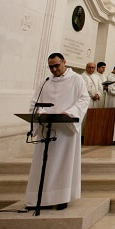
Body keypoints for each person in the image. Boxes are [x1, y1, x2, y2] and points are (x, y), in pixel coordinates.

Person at [25, 52, 89, 210]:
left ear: (64, 62)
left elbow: (84, 98)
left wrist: (70, 112)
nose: (54, 69)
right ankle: (40, 198)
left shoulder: (76, 79)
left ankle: (61, 197)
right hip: (47, 128)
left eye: (57, 66)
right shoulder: (45, 81)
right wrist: (40, 113)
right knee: (42, 163)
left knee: (63, 163)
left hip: (65, 129)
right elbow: (35, 103)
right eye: (51, 67)